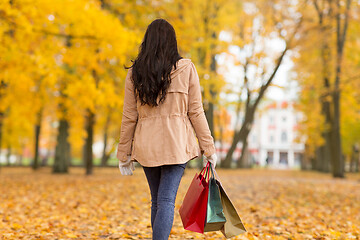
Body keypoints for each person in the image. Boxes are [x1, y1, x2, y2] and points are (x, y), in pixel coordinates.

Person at [116, 18, 217, 240]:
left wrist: (123, 153)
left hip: (147, 144)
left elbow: (129, 117)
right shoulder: (186, 68)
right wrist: (209, 148)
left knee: (158, 201)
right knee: (165, 201)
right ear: (172, 42)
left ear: (147, 42)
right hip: (176, 144)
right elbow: (196, 112)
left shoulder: (135, 73)